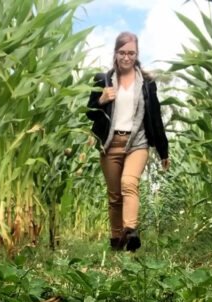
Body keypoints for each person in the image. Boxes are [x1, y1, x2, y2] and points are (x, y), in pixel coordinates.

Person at [86, 32, 170, 252]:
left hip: (137, 143)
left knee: (128, 183)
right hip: (111, 143)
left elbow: (155, 116)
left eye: (131, 53)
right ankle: (116, 242)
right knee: (114, 196)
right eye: (122, 52)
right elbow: (90, 113)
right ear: (115, 53)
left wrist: (163, 151)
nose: (126, 57)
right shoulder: (101, 80)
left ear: (137, 54)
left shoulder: (147, 83)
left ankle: (130, 232)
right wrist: (101, 100)